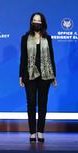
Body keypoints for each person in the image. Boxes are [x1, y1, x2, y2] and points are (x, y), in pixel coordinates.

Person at [19, 12, 57, 142]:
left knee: (42, 104)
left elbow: (51, 57)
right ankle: (31, 132)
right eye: (34, 20)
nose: (36, 22)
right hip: (29, 75)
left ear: (43, 23)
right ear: (31, 22)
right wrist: (20, 75)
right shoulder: (25, 38)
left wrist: (54, 76)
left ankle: (40, 131)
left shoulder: (48, 38)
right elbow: (23, 57)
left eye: (39, 20)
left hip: (45, 75)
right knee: (31, 103)